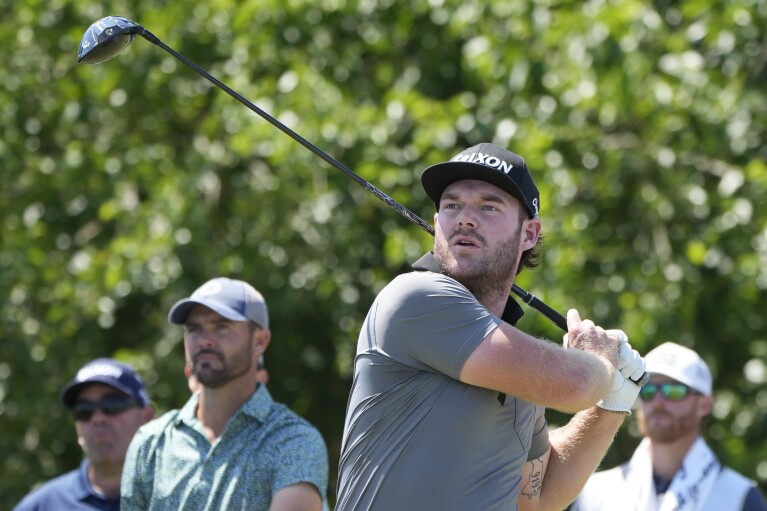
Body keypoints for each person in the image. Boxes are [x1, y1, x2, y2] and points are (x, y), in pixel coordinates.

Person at [336, 142, 647, 511]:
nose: (465, 218)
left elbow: (539, 496)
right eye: (451, 205)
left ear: (529, 234)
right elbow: (577, 384)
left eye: (488, 206)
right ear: (436, 223)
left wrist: (612, 404)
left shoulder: (521, 369)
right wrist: (599, 359)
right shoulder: (415, 298)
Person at [121, 277, 329, 511]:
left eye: (222, 327)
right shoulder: (150, 443)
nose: (205, 341)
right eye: (194, 329)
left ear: (260, 340)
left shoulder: (293, 441)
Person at [571, 341, 767, 511]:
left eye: (673, 391)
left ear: (704, 404)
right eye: (647, 390)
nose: (657, 401)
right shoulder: (595, 492)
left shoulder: (741, 498)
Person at [13, 358, 154, 511]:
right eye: (84, 410)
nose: (98, 418)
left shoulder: (176, 495)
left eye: (113, 404)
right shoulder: (42, 505)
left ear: (146, 417)